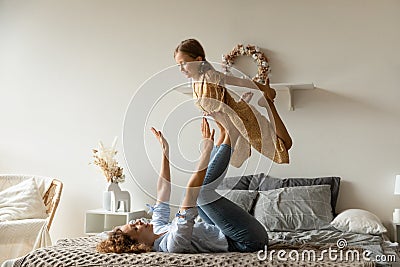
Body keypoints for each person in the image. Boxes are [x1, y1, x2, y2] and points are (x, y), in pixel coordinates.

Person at [96, 118, 268, 253]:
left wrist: (165, 152)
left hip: (222, 231)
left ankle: (226, 135)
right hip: (246, 241)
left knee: (201, 198)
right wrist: (205, 152)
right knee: (200, 194)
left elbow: (163, 192)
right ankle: (232, 133)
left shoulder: (157, 227)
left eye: (134, 222)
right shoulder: (171, 244)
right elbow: (190, 195)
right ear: (139, 244)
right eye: (135, 228)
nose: (139, 222)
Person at [174, 38, 292, 167]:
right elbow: (221, 101)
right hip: (230, 124)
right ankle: (267, 102)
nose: (181, 69)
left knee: (283, 146)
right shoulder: (194, 84)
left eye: (184, 63)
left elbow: (239, 82)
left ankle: (268, 103)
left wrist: (264, 88)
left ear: (198, 60)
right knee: (232, 158)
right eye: (178, 65)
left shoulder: (210, 76)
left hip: (241, 119)